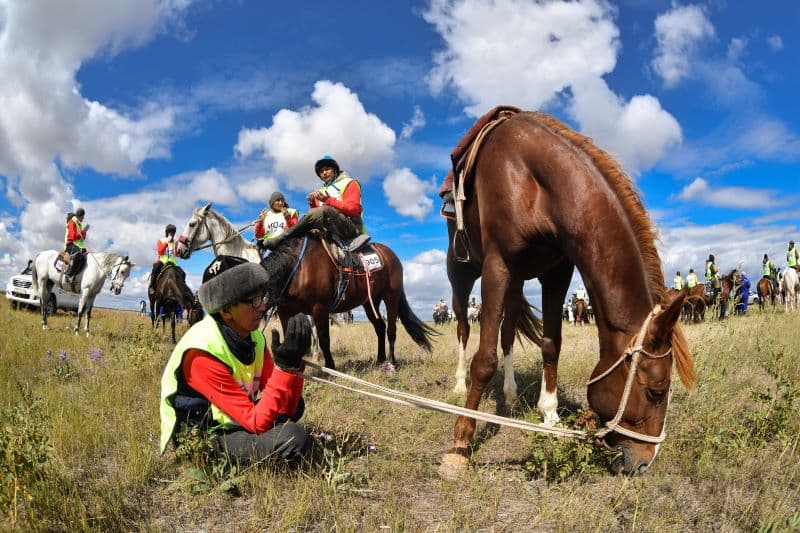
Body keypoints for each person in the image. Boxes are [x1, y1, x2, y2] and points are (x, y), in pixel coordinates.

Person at [159, 255, 312, 465]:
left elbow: (286, 407)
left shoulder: (254, 337)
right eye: (254, 300)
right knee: (294, 436)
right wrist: (284, 369)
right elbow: (256, 421)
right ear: (226, 310)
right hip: (206, 435)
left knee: (296, 406)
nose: (263, 307)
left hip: (237, 416)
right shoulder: (202, 352)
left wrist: (294, 364)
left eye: (263, 297)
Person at [262, 156, 365, 250]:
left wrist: (328, 201)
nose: (324, 173)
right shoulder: (322, 190)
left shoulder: (349, 183)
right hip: (329, 229)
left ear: (335, 169)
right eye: (321, 171)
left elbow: (353, 209)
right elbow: (315, 216)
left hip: (350, 228)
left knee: (324, 209)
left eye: (327, 169)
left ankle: (282, 238)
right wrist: (312, 204)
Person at [148, 224, 183, 298]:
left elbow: (176, 254)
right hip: (163, 261)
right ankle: (151, 287)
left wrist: (179, 252)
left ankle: (182, 290)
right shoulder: (161, 240)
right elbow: (160, 252)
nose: (172, 233)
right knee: (155, 267)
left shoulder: (175, 242)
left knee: (182, 273)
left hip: (173, 262)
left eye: (173, 232)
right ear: (167, 232)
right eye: (170, 232)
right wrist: (167, 243)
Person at [64, 207, 89, 277]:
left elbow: (81, 238)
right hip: (70, 245)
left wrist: (84, 232)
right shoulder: (72, 222)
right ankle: (70, 275)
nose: (83, 219)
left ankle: (79, 275)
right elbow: (73, 237)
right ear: (80, 216)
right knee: (80, 256)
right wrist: (83, 231)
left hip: (77, 246)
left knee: (85, 255)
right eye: (83, 217)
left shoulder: (79, 224)